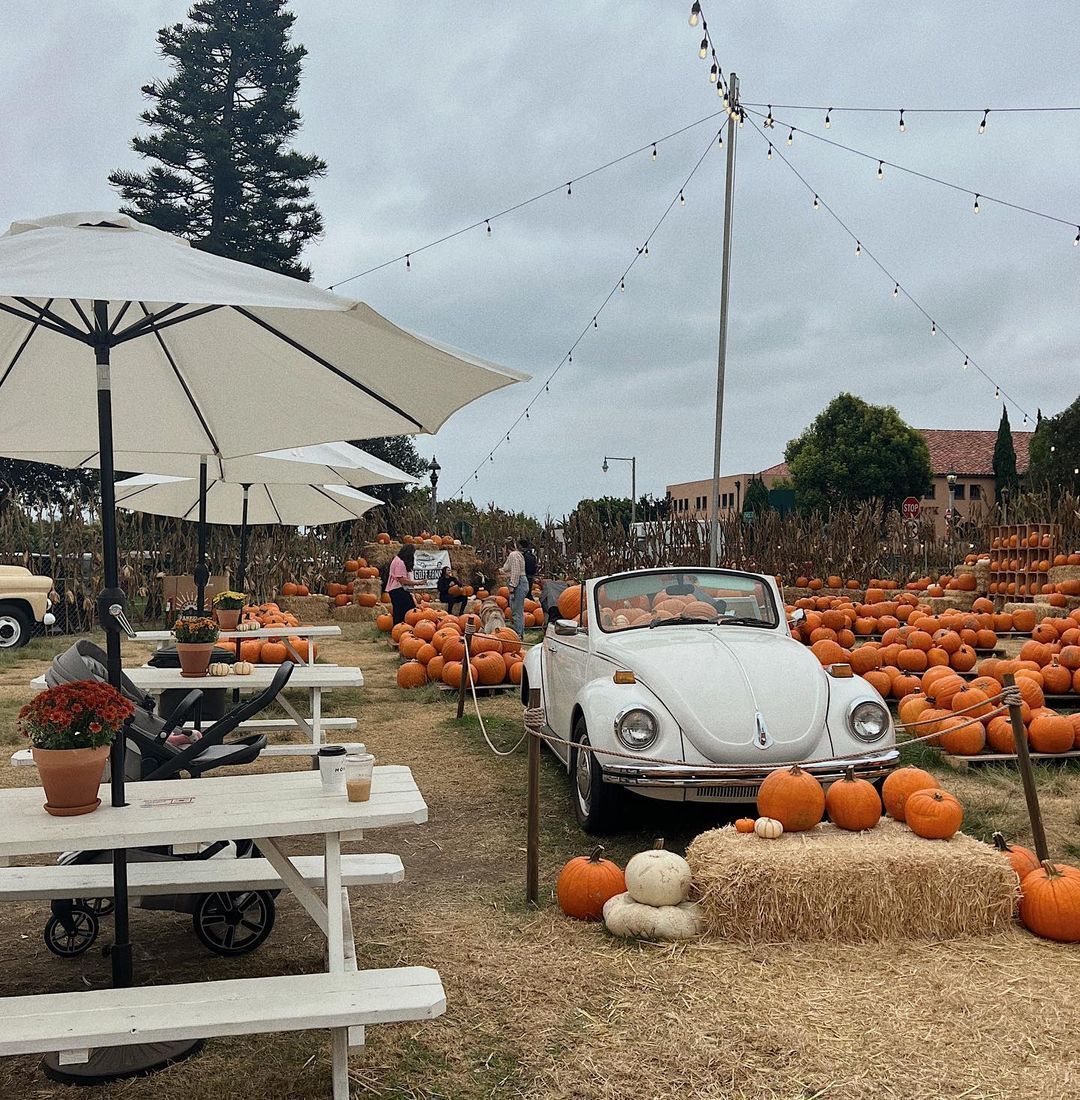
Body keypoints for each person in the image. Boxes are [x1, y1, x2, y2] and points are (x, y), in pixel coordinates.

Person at [500, 537, 527, 638]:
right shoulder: (515, 555)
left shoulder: (513, 555)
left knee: (517, 612)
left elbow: (516, 572)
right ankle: (519, 632)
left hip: (518, 584)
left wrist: (512, 585)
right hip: (519, 583)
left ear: (506, 547)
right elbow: (508, 569)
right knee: (516, 610)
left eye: (502, 548)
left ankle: (518, 635)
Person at [386, 544, 420, 626]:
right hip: (397, 589)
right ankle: (403, 628)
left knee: (398, 610)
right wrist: (417, 583)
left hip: (394, 589)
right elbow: (402, 580)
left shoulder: (397, 560)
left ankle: (399, 628)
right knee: (410, 608)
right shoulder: (400, 562)